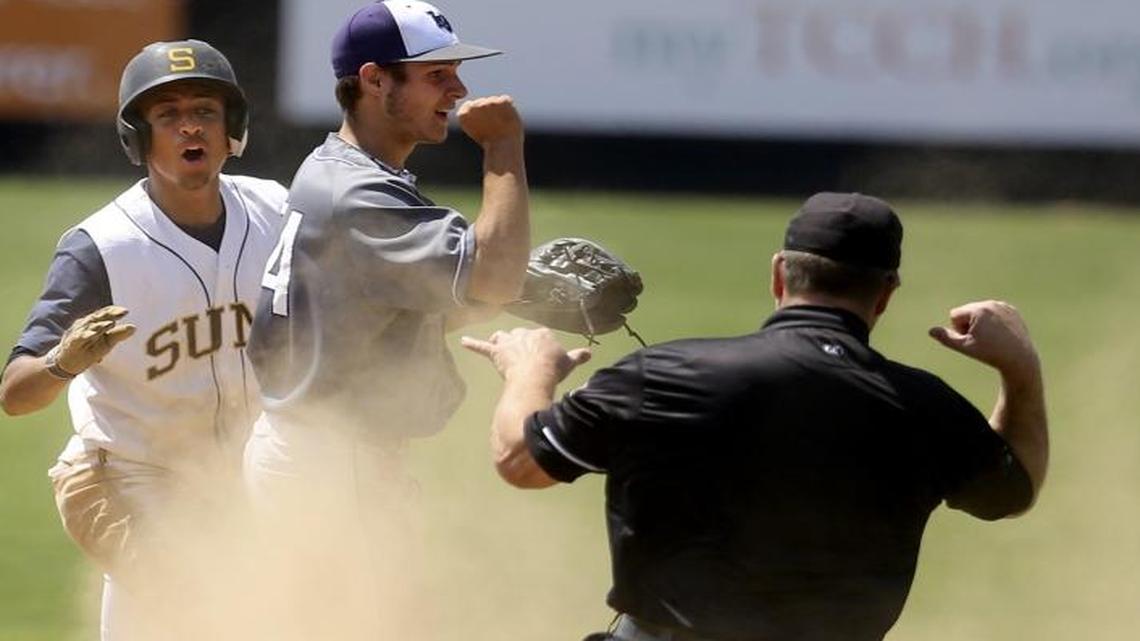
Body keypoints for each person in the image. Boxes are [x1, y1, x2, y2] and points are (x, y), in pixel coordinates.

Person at [462, 192, 1049, 641]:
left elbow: (521, 461)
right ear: (886, 294)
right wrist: (1020, 368)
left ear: (778, 274)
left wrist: (529, 371)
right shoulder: (927, 407)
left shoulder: (666, 374)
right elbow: (1013, 489)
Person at [242, 1, 530, 637]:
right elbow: (491, 277)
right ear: (374, 80)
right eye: (436, 74)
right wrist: (504, 147)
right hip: (332, 466)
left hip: (319, 454)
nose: (458, 89)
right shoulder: (359, 193)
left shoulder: (338, 169)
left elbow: (389, 307)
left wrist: (520, 293)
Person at [0, 40, 287, 640]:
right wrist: (60, 364)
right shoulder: (102, 247)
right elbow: (15, 394)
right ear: (138, 137)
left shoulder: (275, 211)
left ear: (231, 128)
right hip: (128, 478)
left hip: (238, 477)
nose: (190, 127)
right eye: (168, 114)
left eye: (204, 110)